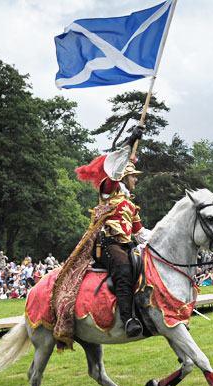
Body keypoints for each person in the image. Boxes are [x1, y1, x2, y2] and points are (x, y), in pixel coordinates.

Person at [52, 126, 147, 346]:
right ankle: (128, 319)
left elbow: (140, 233)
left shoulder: (131, 205)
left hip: (126, 245)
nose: (136, 180)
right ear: (125, 177)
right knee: (123, 271)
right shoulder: (108, 192)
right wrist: (129, 142)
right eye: (134, 176)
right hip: (107, 245)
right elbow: (113, 172)